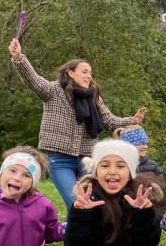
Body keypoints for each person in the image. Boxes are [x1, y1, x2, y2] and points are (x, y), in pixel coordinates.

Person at [8, 38, 144, 214]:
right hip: (60, 159)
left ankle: (90, 238)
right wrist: (19, 57)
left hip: (86, 159)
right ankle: (73, 240)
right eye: (85, 71)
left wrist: (132, 120)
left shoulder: (93, 96)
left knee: (93, 202)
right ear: (71, 73)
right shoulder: (53, 91)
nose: (89, 76)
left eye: (90, 73)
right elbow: (33, 80)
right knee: (75, 203)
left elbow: (109, 120)